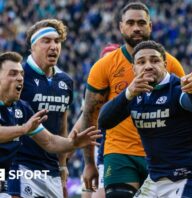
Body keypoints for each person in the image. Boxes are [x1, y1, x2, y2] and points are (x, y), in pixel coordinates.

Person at [79, 2, 185, 197]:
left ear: (150, 26)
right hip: (120, 153)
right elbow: (89, 116)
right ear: (121, 26)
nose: (136, 28)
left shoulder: (171, 64)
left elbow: (184, 113)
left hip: (160, 154)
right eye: (130, 23)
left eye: (141, 23)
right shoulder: (104, 66)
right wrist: (89, 164)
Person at [98, 40, 192, 197]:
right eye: (141, 62)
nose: (148, 66)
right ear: (133, 69)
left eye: (155, 60)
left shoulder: (177, 88)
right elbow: (104, 122)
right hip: (155, 180)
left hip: (186, 178)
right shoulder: (135, 94)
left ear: (165, 64)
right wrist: (128, 93)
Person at [0, 51, 101, 197]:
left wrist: (73, 143)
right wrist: (23, 129)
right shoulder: (23, 122)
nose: (20, 78)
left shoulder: (22, 108)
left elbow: (49, 141)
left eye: (21, 74)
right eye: (13, 74)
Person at [8, 19, 72, 198]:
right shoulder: (18, 75)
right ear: (32, 46)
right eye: (47, 41)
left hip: (51, 168)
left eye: (57, 41)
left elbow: (62, 125)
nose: (53, 46)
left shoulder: (65, 81)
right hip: (20, 165)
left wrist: (63, 165)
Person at [80, 43, 120, 198]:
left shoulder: (125, 86)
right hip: (95, 145)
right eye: (105, 60)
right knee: (88, 191)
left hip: (115, 146)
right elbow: (84, 117)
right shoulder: (95, 86)